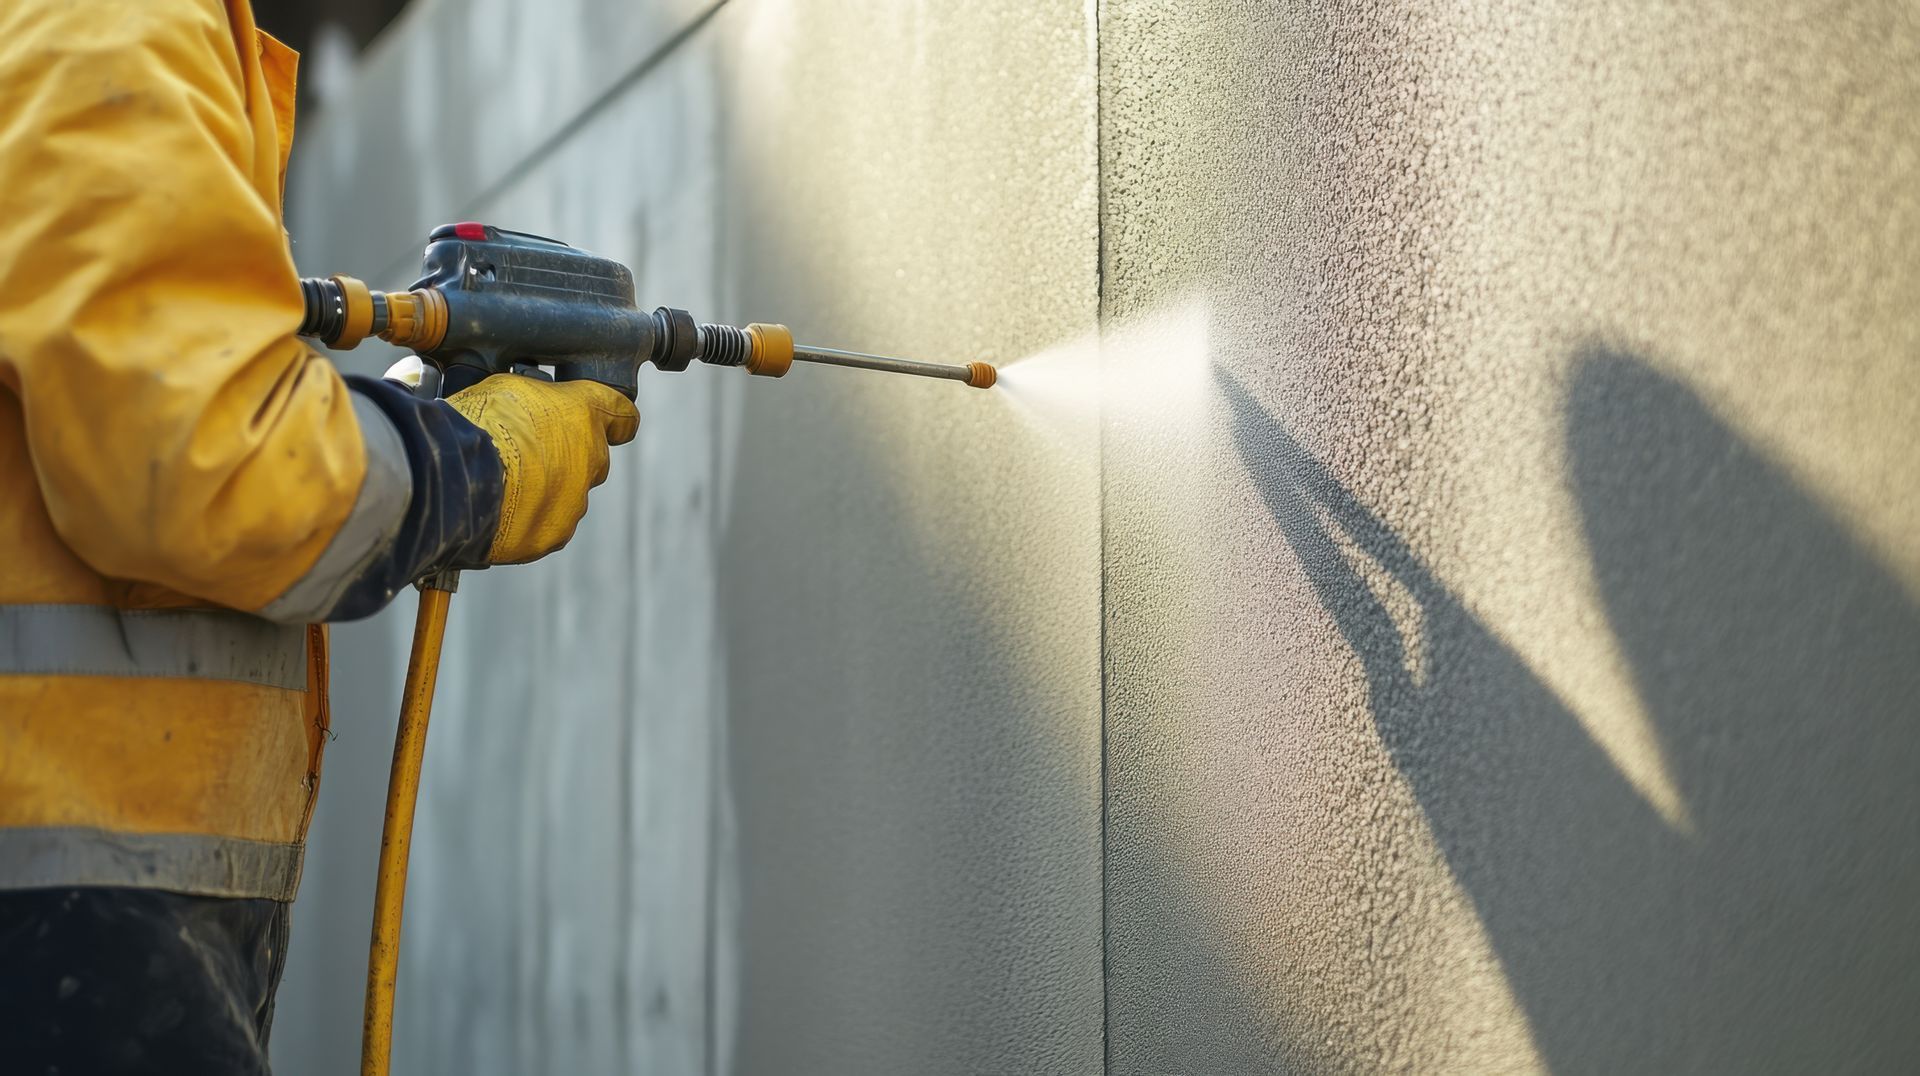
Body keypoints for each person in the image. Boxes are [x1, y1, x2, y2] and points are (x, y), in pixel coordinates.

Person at [0, 1, 639, 1069]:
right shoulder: (106, 20)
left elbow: (166, 402)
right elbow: (205, 463)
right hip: (65, 930)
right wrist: (476, 467)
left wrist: (375, 423)